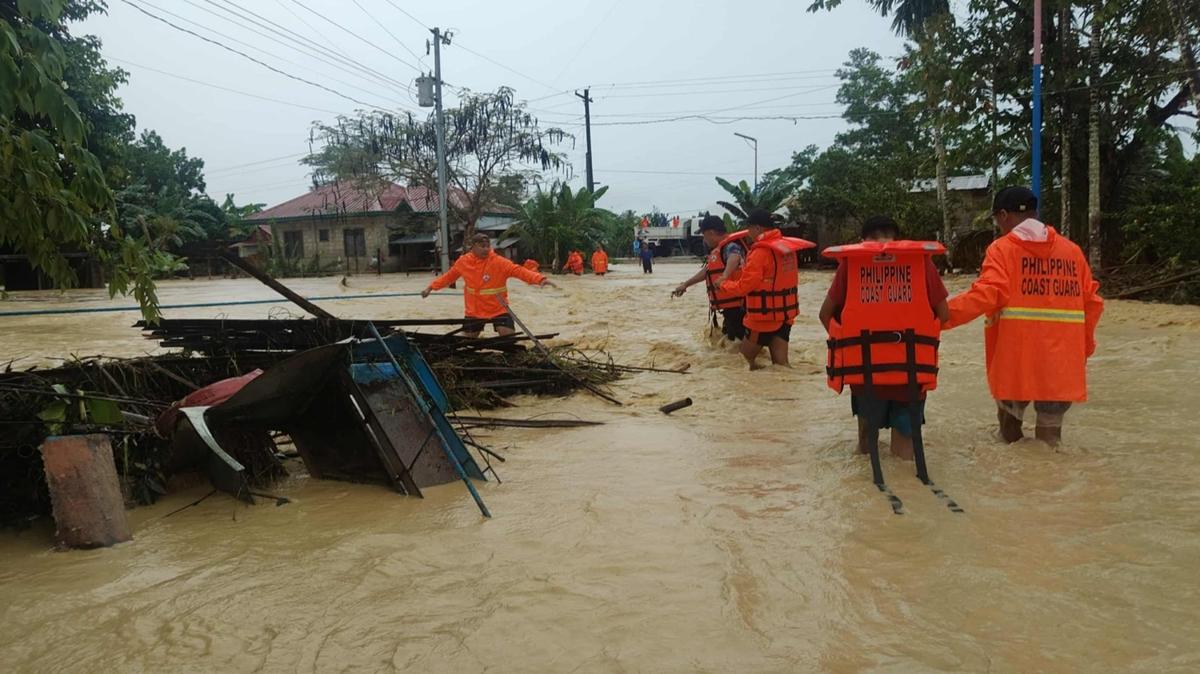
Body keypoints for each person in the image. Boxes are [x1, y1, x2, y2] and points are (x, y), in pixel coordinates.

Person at [942, 186, 1103, 445]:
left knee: (1009, 433)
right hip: (1061, 363)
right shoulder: (1071, 252)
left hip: (1016, 358)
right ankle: (1054, 484)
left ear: (1004, 215)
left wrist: (938, 317)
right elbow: (1092, 304)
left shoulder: (1002, 250)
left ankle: (1016, 484)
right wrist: (1083, 348)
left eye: (996, 219)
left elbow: (985, 294)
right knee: (1051, 440)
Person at [819, 216, 950, 460]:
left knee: (866, 451)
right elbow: (943, 314)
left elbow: (825, 315)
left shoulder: (851, 265)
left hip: (864, 375)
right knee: (904, 455)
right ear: (897, 240)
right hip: (911, 375)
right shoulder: (921, 263)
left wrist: (850, 348)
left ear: (862, 241)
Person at [719, 208, 814, 369]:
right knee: (781, 365)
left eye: (749, 228)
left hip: (763, 318)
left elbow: (744, 287)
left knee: (740, 364)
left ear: (757, 228)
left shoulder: (759, 253)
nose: (747, 233)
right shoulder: (786, 250)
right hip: (785, 315)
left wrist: (723, 284)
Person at [422, 233, 556, 338]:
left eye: (488, 246)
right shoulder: (463, 262)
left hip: (498, 308)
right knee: (467, 340)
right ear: (473, 246)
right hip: (474, 310)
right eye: (482, 246)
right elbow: (449, 277)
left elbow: (519, 271)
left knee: (508, 336)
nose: (486, 249)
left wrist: (540, 279)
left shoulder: (499, 262)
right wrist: (431, 287)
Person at [672, 215, 749, 342]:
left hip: (738, 308)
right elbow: (707, 272)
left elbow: (735, 257)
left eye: (704, 235)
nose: (704, 239)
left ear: (711, 233)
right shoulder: (720, 249)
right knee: (731, 344)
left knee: (735, 344)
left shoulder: (730, 246)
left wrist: (724, 277)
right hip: (732, 308)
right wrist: (686, 284)